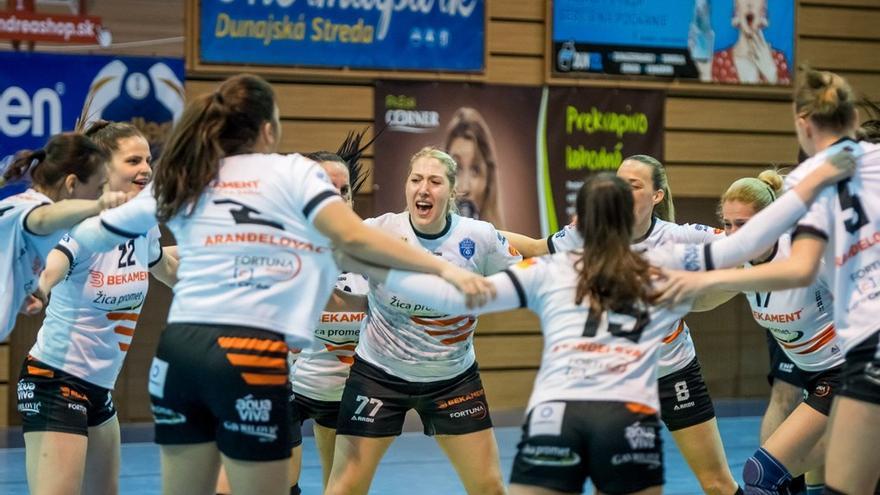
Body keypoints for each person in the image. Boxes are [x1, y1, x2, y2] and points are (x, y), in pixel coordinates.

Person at [65, 74, 492, 495]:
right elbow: (355, 237)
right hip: (247, 352)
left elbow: (93, 232)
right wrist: (445, 271)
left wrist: (51, 252)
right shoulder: (292, 172)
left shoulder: (187, 171)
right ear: (269, 128)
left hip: (178, 355)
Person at [335, 161, 849, 495]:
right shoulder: (660, 273)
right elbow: (746, 248)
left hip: (557, 414)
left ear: (580, 220)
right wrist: (816, 185)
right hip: (628, 415)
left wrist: (379, 264)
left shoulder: (550, 271)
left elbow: (456, 295)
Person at [656, 69, 880, 495]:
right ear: (850, 119)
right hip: (842, 365)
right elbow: (731, 268)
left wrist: (686, 274)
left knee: (773, 474)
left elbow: (795, 267)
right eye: (730, 223)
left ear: (803, 124)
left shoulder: (808, 185)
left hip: (852, 363)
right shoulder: (810, 184)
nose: (736, 231)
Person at [505, 155, 741, 495]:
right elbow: (536, 248)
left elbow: (745, 250)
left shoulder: (679, 238)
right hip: (616, 383)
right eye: (620, 183)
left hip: (672, 373)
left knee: (717, 484)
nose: (623, 191)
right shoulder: (585, 235)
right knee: (611, 486)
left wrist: (708, 293)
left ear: (657, 196)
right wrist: (477, 233)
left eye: (635, 185)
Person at [324, 147, 522, 495]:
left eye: (435, 181)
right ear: (406, 186)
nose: (423, 189)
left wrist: (559, 248)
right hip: (379, 376)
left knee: (489, 487)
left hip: (452, 379)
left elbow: (524, 273)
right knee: (344, 488)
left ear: (451, 191)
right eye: (416, 180)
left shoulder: (478, 237)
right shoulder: (378, 231)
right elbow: (326, 262)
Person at [16, 121, 178, 495]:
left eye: (149, 159)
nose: (146, 169)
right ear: (104, 169)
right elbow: (55, 262)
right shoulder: (80, 223)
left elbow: (165, 268)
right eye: (133, 160)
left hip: (99, 390)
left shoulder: (143, 225)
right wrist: (39, 289)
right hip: (54, 382)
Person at [214, 131, 372, 495]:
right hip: (285, 386)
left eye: (343, 190)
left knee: (344, 488)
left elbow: (461, 238)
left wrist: (535, 246)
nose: (336, 197)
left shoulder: (372, 244)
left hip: (344, 392)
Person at [699, 169, 846, 494]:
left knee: (764, 474)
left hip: (846, 374)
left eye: (744, 225)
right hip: (814, 376)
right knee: (786, 476)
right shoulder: (735, 256)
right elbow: (705, 299)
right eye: (728, 224)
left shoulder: (806, 253)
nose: (735, 234)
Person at [0, 133, 129, 340]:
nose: (99, 194)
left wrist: (25, 289)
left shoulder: (19, 204)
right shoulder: (34, 209)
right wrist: (100, 205)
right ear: (71, 184)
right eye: (98, 188)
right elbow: (41, 219)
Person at [445, 107, 504, 228]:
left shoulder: (505, 245)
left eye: (475, 170)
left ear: (489, 180)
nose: (465, 187)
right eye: (456, 169)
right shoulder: (415, 243)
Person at [709, 0, 791, 84]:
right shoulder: (718, 62)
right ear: (736, 9)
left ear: (763, 10)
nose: (749, 4)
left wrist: (772, 75)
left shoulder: (778, 60)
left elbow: (788, 95)